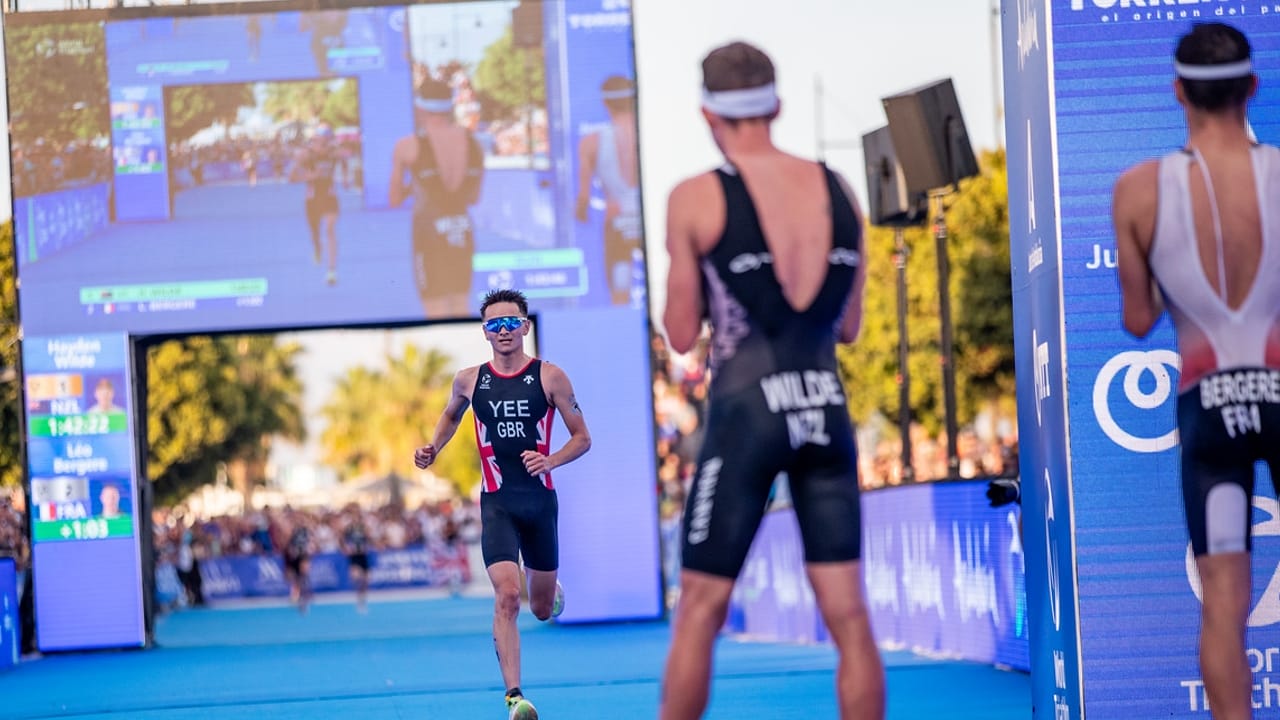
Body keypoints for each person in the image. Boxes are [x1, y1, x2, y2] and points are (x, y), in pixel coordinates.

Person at [658, 41, 882, 720]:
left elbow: (678, 332)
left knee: (701, 607)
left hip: (746, 411)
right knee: (848, 614)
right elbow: (847, 330)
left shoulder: (697, 198)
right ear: (777, 105)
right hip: (823, 404)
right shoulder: (839, 189)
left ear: (707, 114)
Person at [1113, 22, 1279, 720]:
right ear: (1253, 87)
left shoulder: (1138, 190)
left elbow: (1136, 319)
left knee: (1224, 603)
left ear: (1178, 91)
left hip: (1207, 402)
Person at [413, 288, 591, 720]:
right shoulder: (470, 379)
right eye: (495, 324)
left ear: (526, 327)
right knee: (507, 595)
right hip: (497, 503)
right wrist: (433, 447)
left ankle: (549, 588)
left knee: (542, 609)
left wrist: (550, 459)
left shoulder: (550, 377)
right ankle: (515, 697)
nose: (504, 330)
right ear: (485, 332)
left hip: (539, 502)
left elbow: (583, 438)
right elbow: (453, 414)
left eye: (512, 322)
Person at [390, 77, 485, 319]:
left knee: (435, 309)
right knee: (461, 303)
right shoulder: (475, 144)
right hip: (461, 229)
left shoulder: (407, 146)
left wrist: (418, 184)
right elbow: (473, 197)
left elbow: (394, 199)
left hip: (428, 230)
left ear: (420, 108)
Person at [575, 75, 643, 306]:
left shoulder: (591, 142)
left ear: (605, 103)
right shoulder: (649, 133)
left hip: (617, 221)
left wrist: (581, 211)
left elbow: (583, 201)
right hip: (647, 220)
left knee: (620, 292)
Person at [291, 124, 344, 285]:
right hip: (312, 199)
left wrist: (346, 179)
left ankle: (331, 271)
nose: (323, 145)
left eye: (326, 142)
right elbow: (292, 178)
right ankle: (317, 248)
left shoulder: (334, 154)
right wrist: (310, 176)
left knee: (329, 229)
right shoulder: (306, 156)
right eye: (320, 141)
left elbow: (344, 162)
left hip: (329, 196)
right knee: (315, 233)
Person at [282, 514, 313, 615]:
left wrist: (308, 549)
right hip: (294, 557)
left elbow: (311, 543)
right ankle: (297, 595)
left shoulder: (306, 532)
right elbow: (288, 545)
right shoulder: (292, 532)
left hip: (303, 555)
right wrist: (291, 551)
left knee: (303, 575)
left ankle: (305, 595)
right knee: (295, 578)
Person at [342, 505, 371, 614]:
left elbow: (369, 539)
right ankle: (359, 598)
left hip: (363, 556)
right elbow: (343, 540)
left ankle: (362, 598)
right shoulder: (348, 529)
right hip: (354, 556)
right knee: (357, 577)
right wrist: (346, 548)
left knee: (366, 580)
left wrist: (367, 546)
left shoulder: (364, 528)